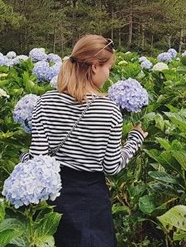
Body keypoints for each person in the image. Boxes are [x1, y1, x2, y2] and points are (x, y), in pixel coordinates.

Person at [21, 34, 147, 247]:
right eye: (109, 68)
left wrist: (23, 158)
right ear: (95, 67)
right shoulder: (109, 110)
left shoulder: (45, 102)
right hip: (92, 199)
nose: (109, 74)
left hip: (56, 199)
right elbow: (111, 167)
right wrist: (135, 139)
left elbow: (37, 160)